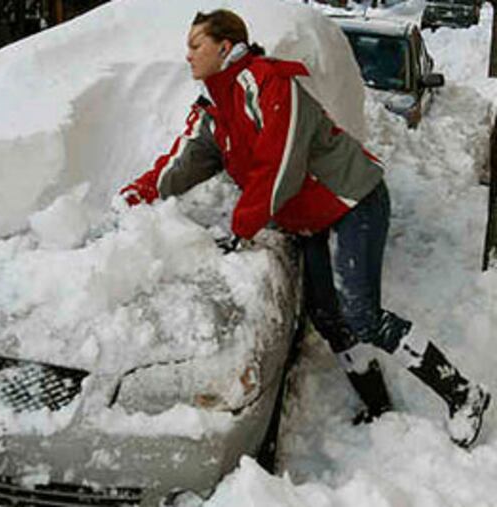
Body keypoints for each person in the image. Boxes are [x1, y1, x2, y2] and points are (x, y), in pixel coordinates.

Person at [116, 9, 490, 448]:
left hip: (353, 200)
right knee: (329, 318)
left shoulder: (268, 83)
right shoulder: (214, 113)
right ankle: (380, 406)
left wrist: (242, 226)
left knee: (361, 315)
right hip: (309, 219)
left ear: (224, 47)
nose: (188, 55)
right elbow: (178, 166)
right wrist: (132, 197)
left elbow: (281, 165)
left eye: (195, 45)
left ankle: (463, 392)